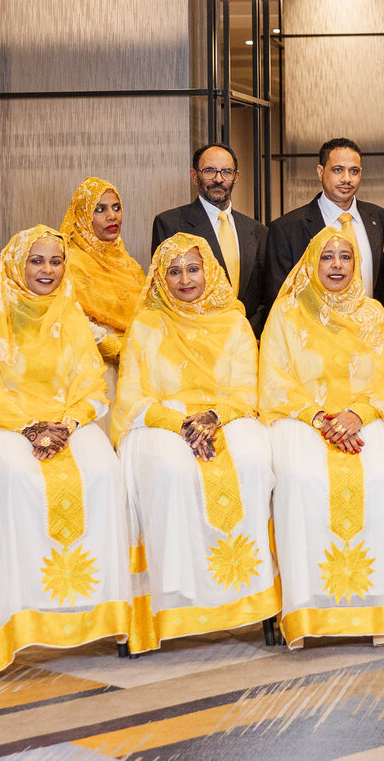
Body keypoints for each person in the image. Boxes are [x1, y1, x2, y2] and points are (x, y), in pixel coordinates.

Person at [0, 226, 132, 678]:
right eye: (37, 261)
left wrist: (66, 424)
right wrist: (27, 427)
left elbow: (90, 383)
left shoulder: (71, 312)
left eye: (56, 261)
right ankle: (12, 609)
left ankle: (97, 611)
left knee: (103, 471)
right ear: (17, 263)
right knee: (16, 475)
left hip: (64, 422)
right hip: (2, 423)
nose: (47, 270)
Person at [114, 234, 279, 652]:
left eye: (193, 268)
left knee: (254, 460)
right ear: (160, 278)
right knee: (172, 469)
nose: (185, 279)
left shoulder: (233, 321)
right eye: (173, 271)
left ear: (209, 271)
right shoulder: (146, 324)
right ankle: (175, 594)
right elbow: (133, 398)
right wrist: (179, 421)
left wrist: (213, 416)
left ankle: (251, 595)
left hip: (224, 416)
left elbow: (247, 390)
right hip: (159, 422)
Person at [259, 225, 384, 648]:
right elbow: (274, 382)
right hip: (301, 420)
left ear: (357, 265)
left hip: (362, 419)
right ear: (311, 262)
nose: (336, 265)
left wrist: (359, 414)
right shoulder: (286, 313)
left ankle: (373, 608)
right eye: (327, 257)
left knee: (379, 474)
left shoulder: (374, 314)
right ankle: (304, 609)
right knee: (301, 477)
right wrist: (319, 418)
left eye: (346, 257)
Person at [264, 138, 384, 316]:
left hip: (371, 335)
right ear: (320, 172)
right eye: (337, 170)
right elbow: (279, 298)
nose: (346, 179)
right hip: (315, 336)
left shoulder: (382, 220)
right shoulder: (287, 229)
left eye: (354, 171)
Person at [152, 143, 268, 334]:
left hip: (247, 341)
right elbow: (165, 293)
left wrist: (246, 334)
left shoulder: (258, 231)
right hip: (195, 339)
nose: (218, 179)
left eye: (226, 172)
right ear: (194, 176)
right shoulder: (170, 224)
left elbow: (265, 295)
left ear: (236, 177)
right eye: (209, 171)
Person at [61, 176, 144, 369]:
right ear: (82, 215)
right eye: (99, 209)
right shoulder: (67, 262)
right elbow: (68, 319)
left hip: (136, 363)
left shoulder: (129, 264)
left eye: (116, 207)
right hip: (92, 366)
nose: (112, 216)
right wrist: (117, 348)